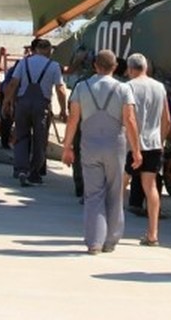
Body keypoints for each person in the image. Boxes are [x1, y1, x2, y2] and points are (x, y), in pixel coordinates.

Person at [61, 49, 142, 254]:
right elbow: (130, 121)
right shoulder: (124, 89)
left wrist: (67, 146)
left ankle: (94, 241)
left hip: (89, 145)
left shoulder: (81, 87)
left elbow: (73, 119)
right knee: (115, 192)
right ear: (115, 67)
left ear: (95, 65)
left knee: (93, 194)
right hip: (115, 145)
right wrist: (137, 150)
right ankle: (111, 240)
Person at [3, 37, 67, 187]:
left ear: (35, 49)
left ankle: (21, 170)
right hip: (42, 106)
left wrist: (6, 102)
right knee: (40, 141)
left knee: (21, 137)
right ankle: (34, 173)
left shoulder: (23, 62)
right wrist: (63, 109)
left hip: (23, 104)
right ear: (48, 50)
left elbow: (13, 83)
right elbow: (60, 89)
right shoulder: (53, 66)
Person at [124, 53, 170, 245]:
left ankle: (113, 227)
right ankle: (153, 233)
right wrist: (160, 140)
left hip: (132, 143)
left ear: (130, 69)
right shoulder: (160, 87)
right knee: (151, 187)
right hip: (153, 143)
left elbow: (128, 117)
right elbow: (166, 120)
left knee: (120, 184)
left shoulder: (128, 87)